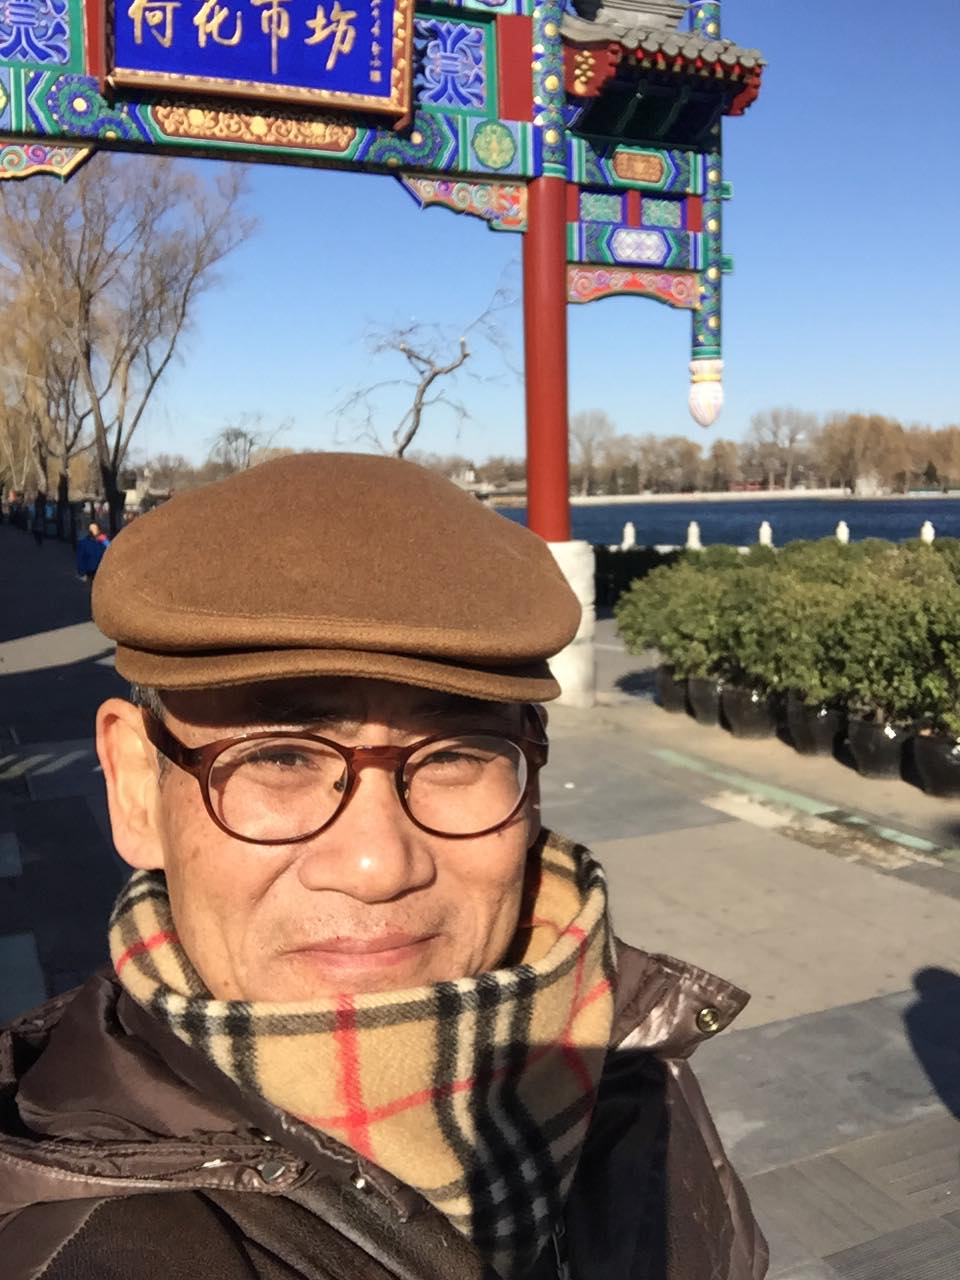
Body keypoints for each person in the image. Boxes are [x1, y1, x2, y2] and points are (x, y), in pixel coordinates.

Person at [0, 453, 767, 1280]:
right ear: (135, 789)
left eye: (456, 752)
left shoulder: (631, 1066)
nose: (376, 864)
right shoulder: (85, 1247)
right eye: (281, 757)